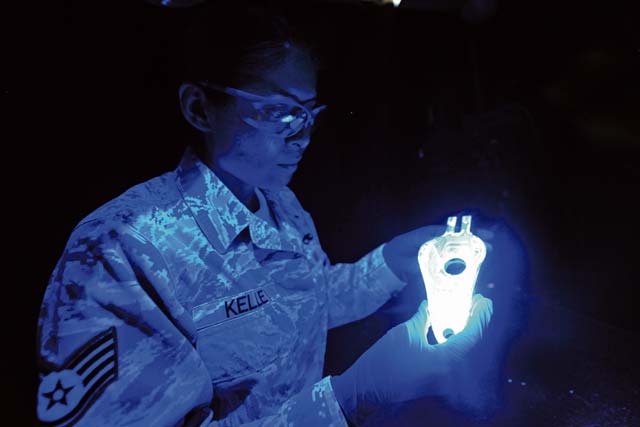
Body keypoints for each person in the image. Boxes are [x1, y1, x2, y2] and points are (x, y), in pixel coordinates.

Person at [36, 3, 499, 426]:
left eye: (309, 114)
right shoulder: (121, 250)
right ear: (199, 108)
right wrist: (349, 398)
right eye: (279, 112)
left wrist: (388, 263)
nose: (303, 137)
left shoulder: (280, 205)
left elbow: (303, 302)